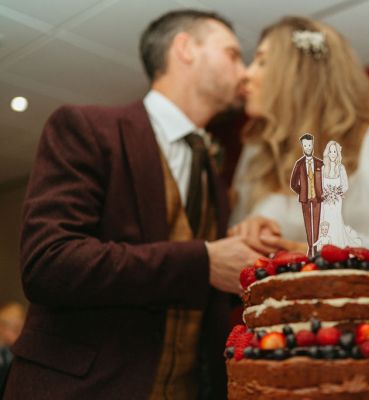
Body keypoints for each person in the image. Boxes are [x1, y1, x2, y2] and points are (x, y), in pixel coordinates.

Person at [4, 10, 261, 400]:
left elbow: (191, 282)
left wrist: (242, 260)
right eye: (232, 54)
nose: (243, 73)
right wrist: (205, 260)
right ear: (185, 48)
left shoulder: (211, 167)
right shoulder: (87, 127)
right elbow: (49, 263)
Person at [229, 16, 369, 305]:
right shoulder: (256, 152)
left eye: (262, 62)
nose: (246, 74)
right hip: (276, 335)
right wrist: (249, 232)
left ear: (300, 73)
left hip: (352, 335)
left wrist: (311, 255)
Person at [320, 140, 362, 248]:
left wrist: (336, 192)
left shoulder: (341, 168)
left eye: (335, 152)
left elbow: (345, 185)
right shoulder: (324, 169)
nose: (333, 154)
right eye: (331, 152)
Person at [290, 133, 323, 256]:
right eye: (305, 145)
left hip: (318, 199)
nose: (308, 148)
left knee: (318, 225)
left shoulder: (320, 164)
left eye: (309, 145)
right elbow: (293, 182)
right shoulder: (299, 164)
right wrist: (302, 191)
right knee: (308, 225)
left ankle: (317, 248)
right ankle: (311, 249)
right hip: (305, 199)